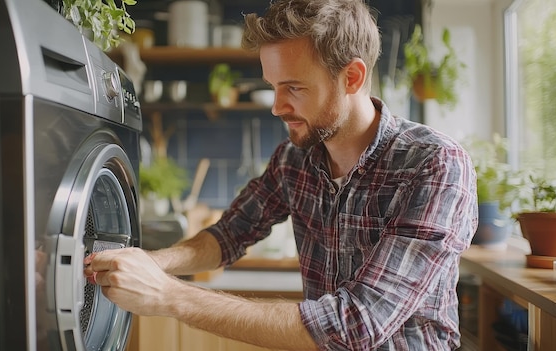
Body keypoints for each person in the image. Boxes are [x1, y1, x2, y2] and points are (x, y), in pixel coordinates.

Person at [84, 0, 478, 349]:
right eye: (272, 86)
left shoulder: (434, 165)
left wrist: (167, 295)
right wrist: (153, 263)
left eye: (293, 88)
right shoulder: (295, 158)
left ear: (352, 77)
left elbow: (357, 325)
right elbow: (229, 236)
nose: (276, 106)